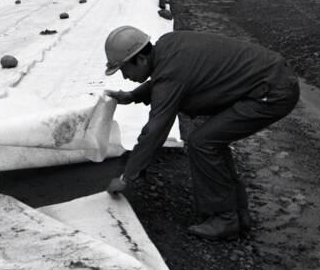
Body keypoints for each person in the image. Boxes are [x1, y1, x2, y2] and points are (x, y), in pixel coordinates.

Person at [103, 26, 299, 240]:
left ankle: (225, 219)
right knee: (210, 141)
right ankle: (238, 214)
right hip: (272, 79)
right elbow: (167, 79)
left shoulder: (170, 71)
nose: (124, 75)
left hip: (271, 92)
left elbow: (155, 129)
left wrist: (127, 176)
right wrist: (133, 95)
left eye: (123, 69)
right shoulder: (169, 46)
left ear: (140, 59)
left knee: (203, 142)